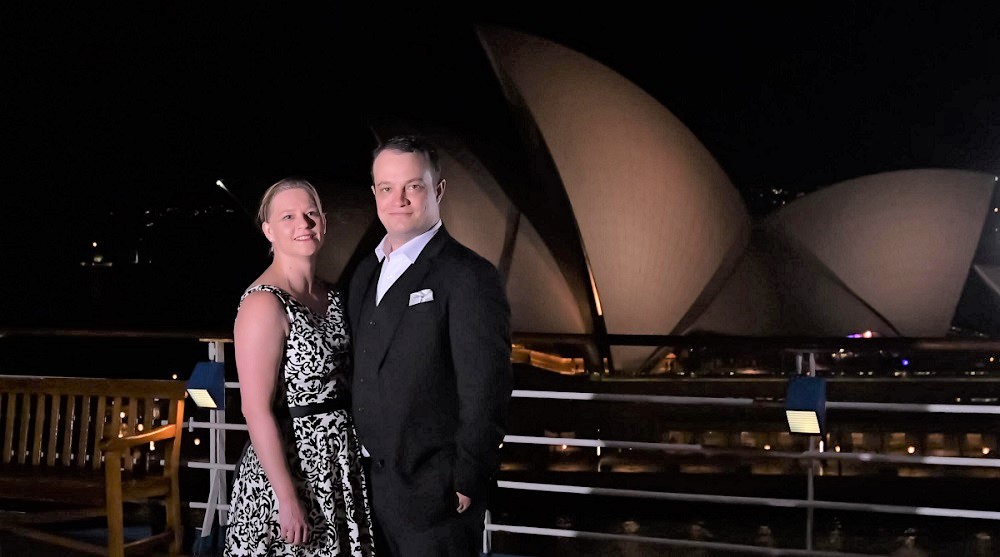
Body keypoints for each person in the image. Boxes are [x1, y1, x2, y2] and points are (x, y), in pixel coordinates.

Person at [348, 135, 513, 556]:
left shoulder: (469, 276)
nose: (399, 199)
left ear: (438, 189)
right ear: (374, 193)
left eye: (413, 186)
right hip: (368, 491)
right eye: (387, 188)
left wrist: (467, 477)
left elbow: (486, 387)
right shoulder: (365, 272)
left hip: (437, 495)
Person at [225, 178, 376, 557]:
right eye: (288, 217)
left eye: (311, 214)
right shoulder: (263, 304)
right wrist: (287, 497)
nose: (303, 224)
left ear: (324, 222)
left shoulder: (334, 296)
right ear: (268, 231)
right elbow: (255, 409)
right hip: (291, 473)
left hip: (339, 466)